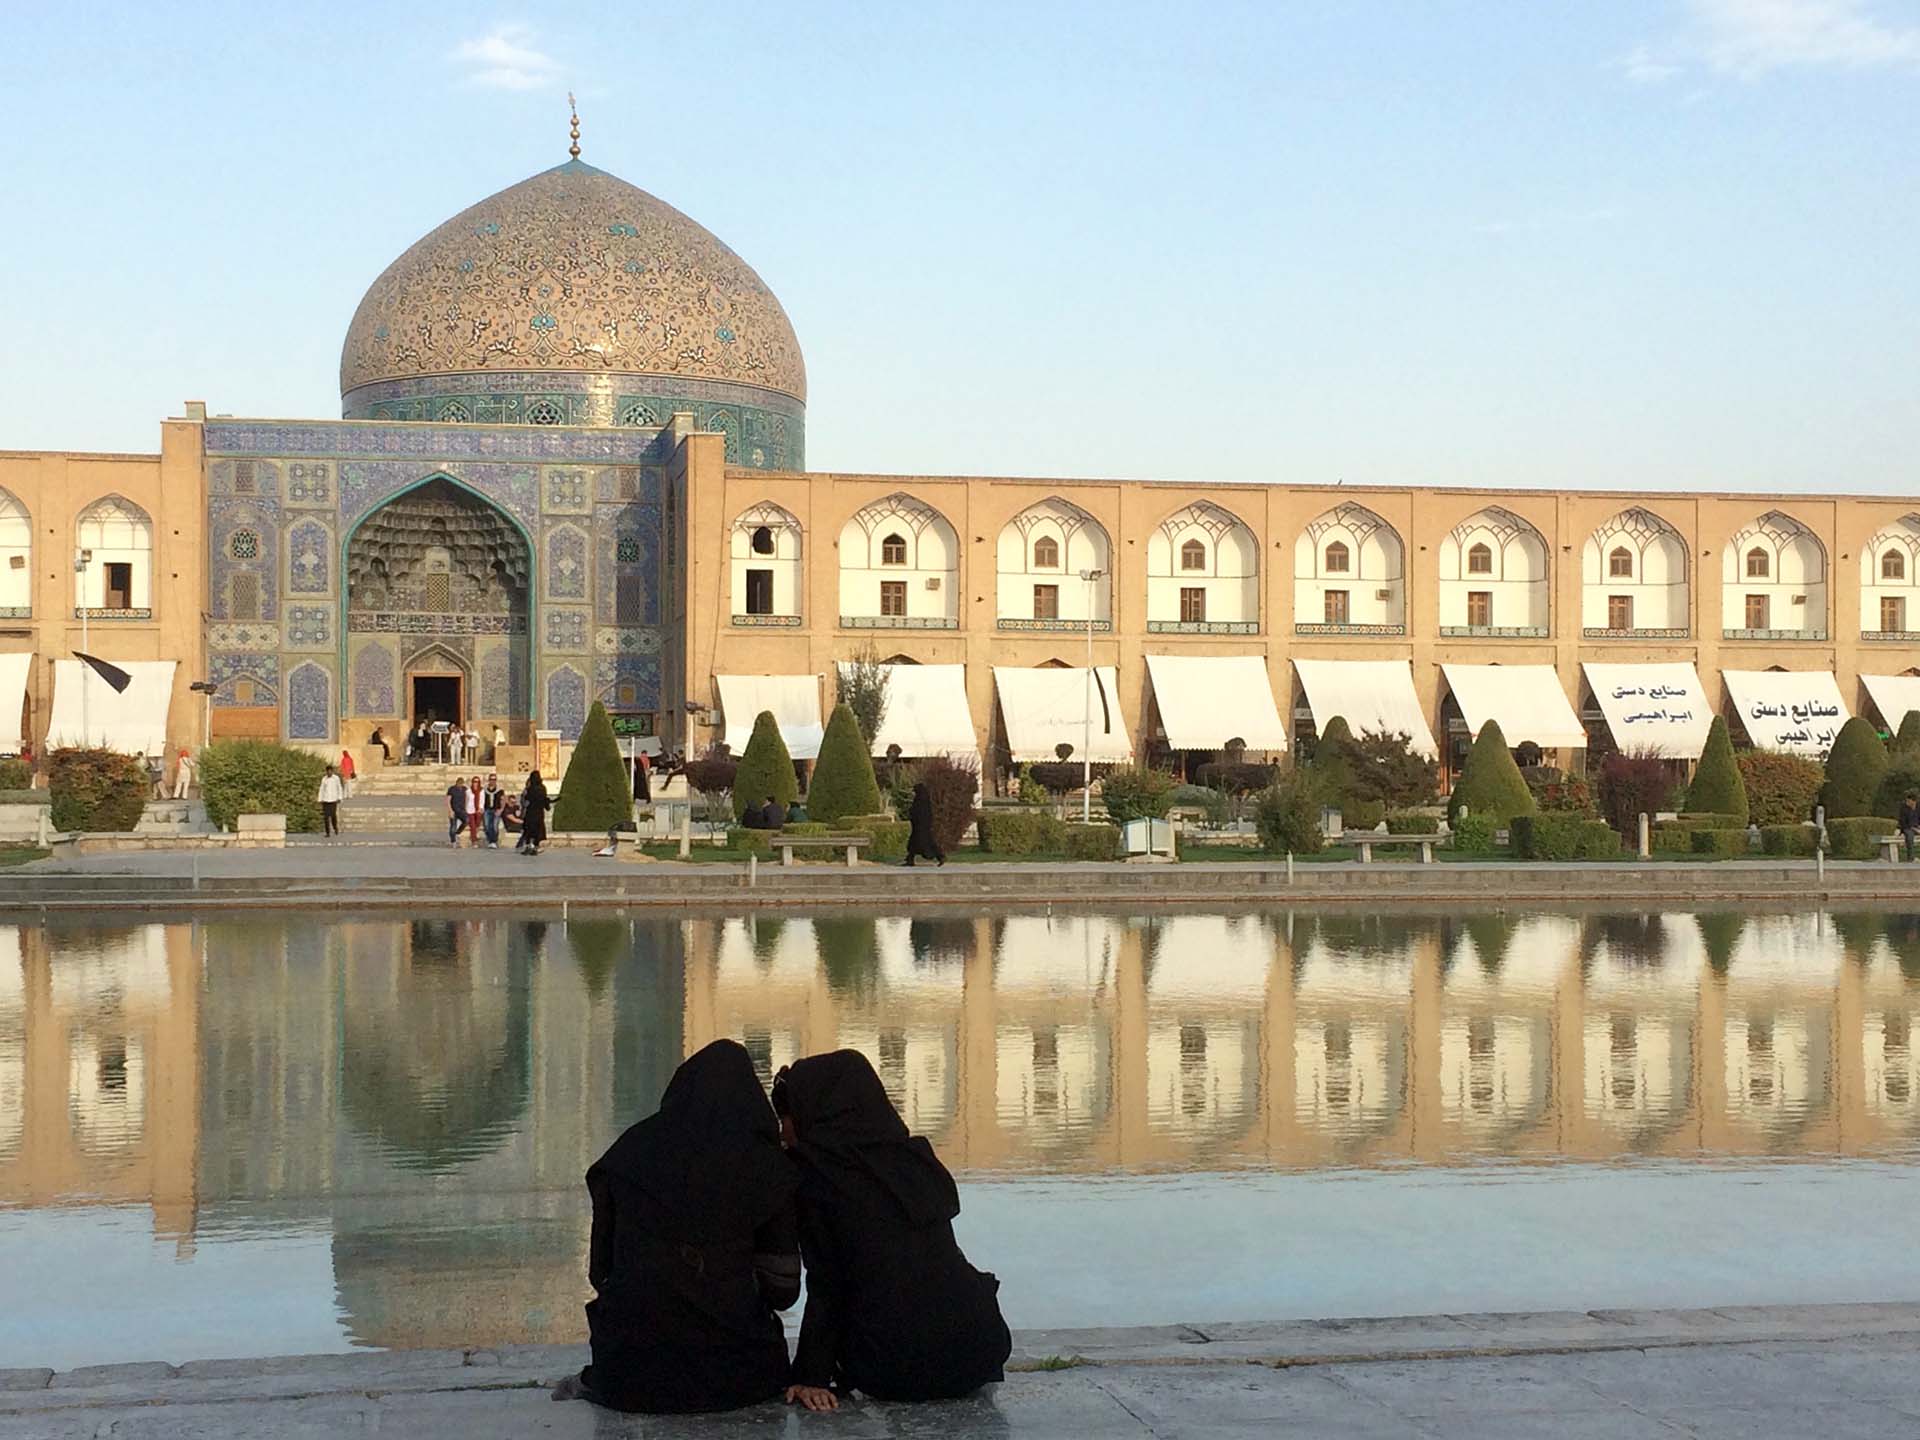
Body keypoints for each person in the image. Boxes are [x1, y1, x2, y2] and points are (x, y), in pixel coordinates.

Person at [552, 1039, 800, 1414]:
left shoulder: (626, 1154)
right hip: (739, 1377)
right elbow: (783, 1291)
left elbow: (601, 1271)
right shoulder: (768, 1168)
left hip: (627, 1375)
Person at [773, 1050, 1010, 1410]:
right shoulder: (912, 1158)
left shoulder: (822, 1180)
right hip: (980, 1350)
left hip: (899, 1368)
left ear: (814, 1112)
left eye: (786, 1118)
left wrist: (811, 1376)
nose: (783, 1130)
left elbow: (828, 1284)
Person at [904, 782, 945, 867]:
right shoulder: (924, 800)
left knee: (925, 842)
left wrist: (912, 814)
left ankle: (940, 856)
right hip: (920, 826)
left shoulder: (920, 801)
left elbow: (917, 812)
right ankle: (910, 859)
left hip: (921, 827)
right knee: (914, 843)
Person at [519, 771, 551, 854]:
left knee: (529, 829)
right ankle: (535, 846)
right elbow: (544, 798)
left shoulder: (530, 788)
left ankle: (529, 846)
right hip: (539, 812)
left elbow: (526, 798)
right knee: (537, 829)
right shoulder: (542, 788)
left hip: (530, 811)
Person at [317, 764, 346, 839]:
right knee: (326, 817)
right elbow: (322, 789)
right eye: (328, 771)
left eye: (330, 771)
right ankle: (327, 832)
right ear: (326, 772)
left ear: (332, 771)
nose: (329, 773)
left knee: (333, 815)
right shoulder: (324, 779)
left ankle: (335, 827)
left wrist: (340, 797)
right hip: (326, 800)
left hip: (333, 800)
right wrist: (320, 799)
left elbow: (339, 788)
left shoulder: (336, 778)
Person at [480, 773, 504, 848]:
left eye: (494, 779)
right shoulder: (484, 790)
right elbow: (481, 799)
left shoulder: (499, 790)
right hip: (487, 810)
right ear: (489, 780)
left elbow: (503, 800)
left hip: (496, 809)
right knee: (487, 826)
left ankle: (493, 841)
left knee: (494, 826)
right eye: (491, 779)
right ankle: (490, 840)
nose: (492, 781)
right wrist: (481, 808)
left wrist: (501, 809)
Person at [446, 772, 470, 846]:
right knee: (453, 826)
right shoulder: (452, 789)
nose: (460, 784)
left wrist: (466, 808)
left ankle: (458, 832)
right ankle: (453, 841)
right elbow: (448, 800)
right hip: (454, 810)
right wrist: (450, 810)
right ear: (456, 783)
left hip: (461, 810)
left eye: (461, 783)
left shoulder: (464, 789)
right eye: (459, 783)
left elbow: (467, 798)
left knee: (466, 820)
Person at [1901, 790, 1920, 862]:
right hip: (1908, 828)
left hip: (1917, 827)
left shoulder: (1918, 807)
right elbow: (1903, 822)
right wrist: (1914, 829)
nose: (1907, 802)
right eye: (1906, 801)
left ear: (1913, 801)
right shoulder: (1904, 808)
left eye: (1908, 801)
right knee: (1909, 836)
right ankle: (1911, 858)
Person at [467, 775, 485, 846]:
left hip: (478, 810)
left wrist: (480, 808)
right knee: (473, 825)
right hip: (470, 810)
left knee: (477, 823)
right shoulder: (468, 791)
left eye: (477, 782)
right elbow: (467, 800)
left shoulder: (481, 791)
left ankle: (474, 835)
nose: (476, 783)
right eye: (474, 781)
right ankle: (474, 840)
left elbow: (482, 800)